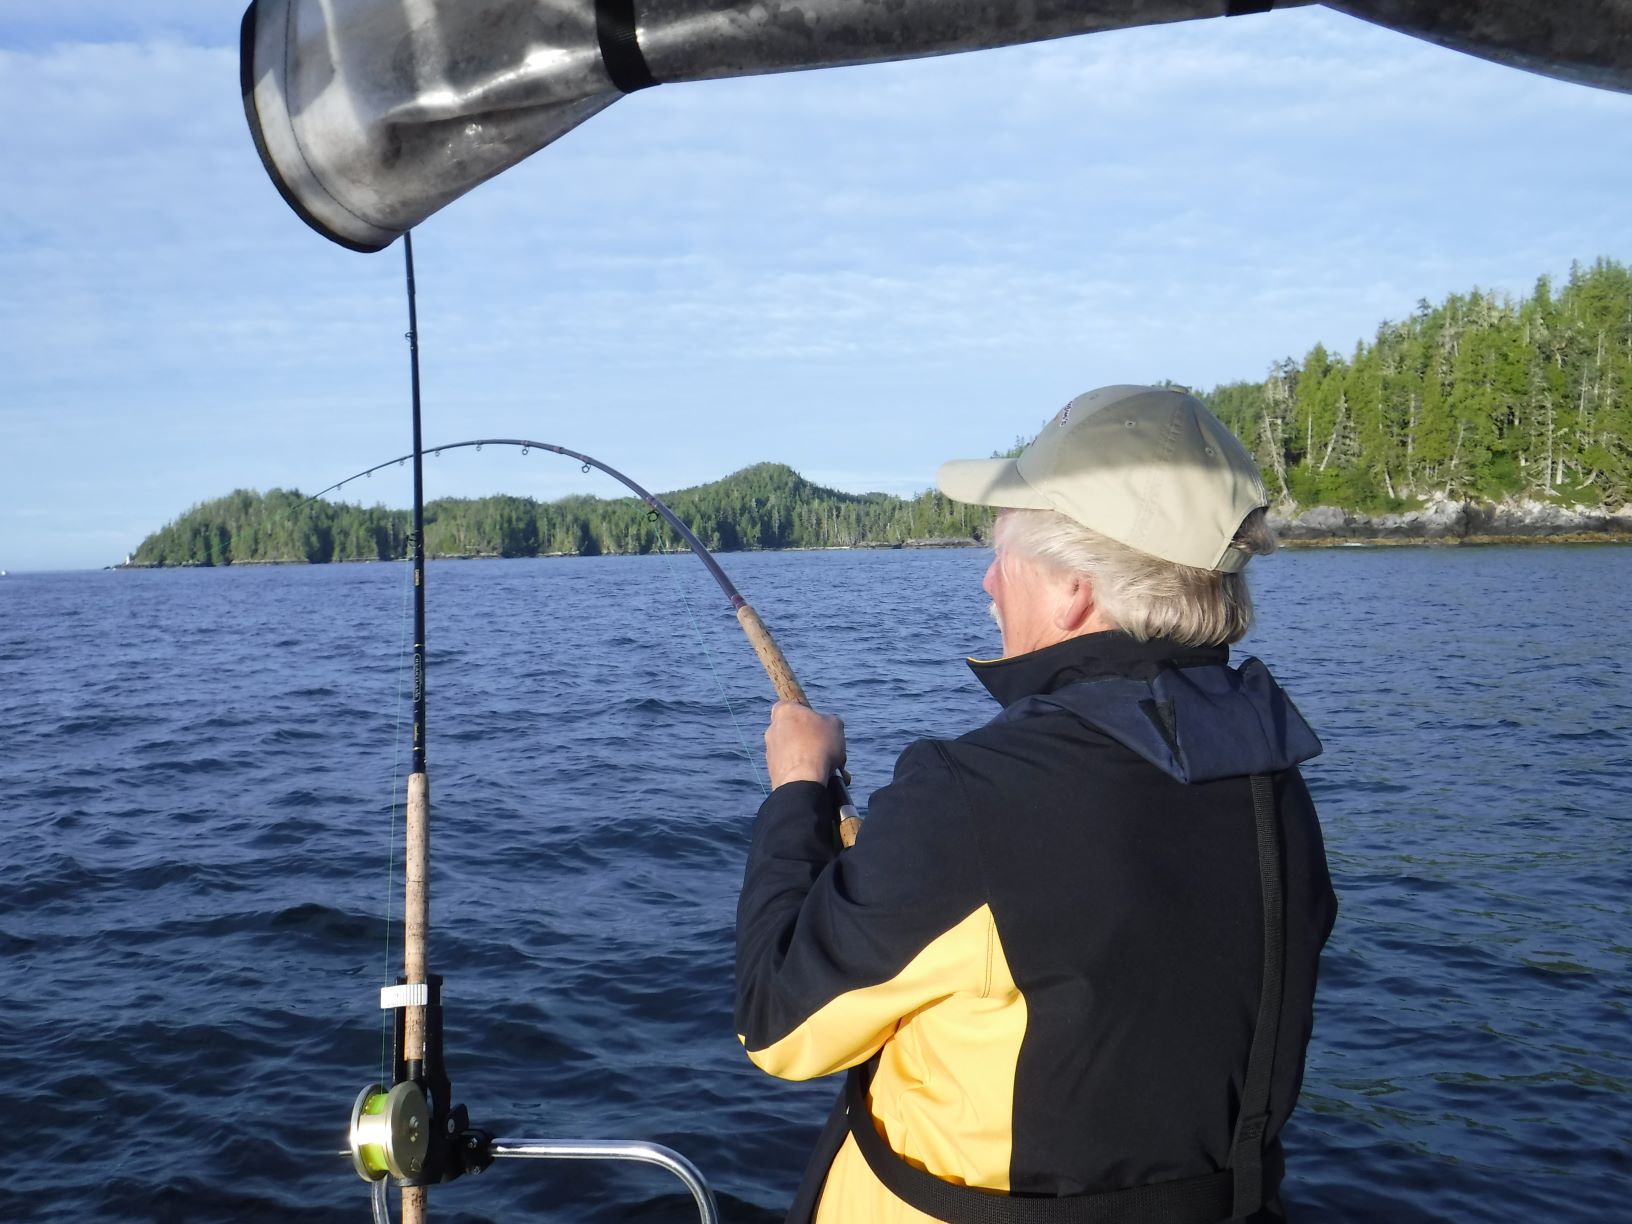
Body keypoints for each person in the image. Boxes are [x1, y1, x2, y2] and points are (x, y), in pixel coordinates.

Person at [734, 384, 1337, 1224]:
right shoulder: (1275, 777)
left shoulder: (970, 795)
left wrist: (798, 791)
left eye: (1005, 550)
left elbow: (778, 1025)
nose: (987, 579)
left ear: (1074, 589)